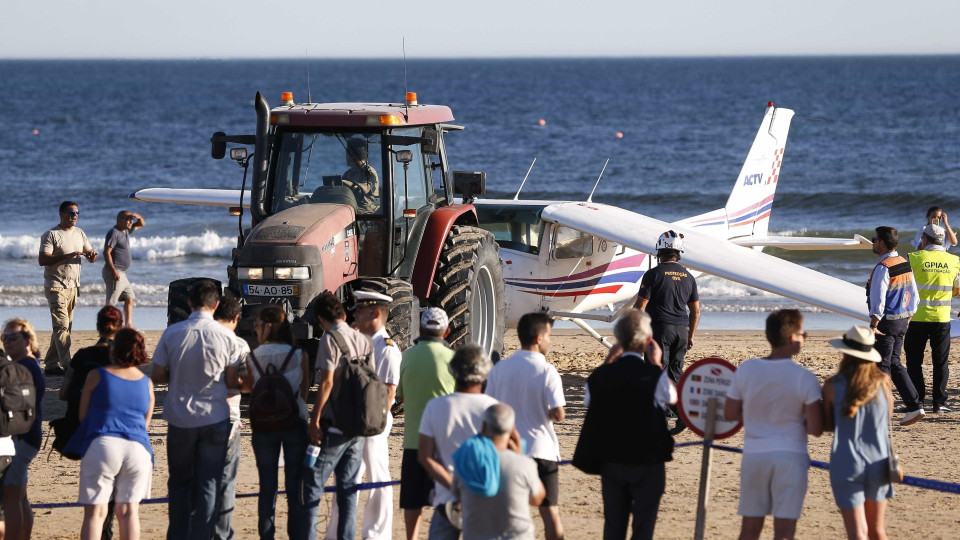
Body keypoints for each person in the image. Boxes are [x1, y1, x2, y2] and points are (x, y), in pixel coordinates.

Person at [151, 280, 244, 540]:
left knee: (179, 482)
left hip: (180, 418)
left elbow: (158, 374)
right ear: (216, 306)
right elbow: (230, 381)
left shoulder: (173, 333)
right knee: (209, 483)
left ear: (190, 303)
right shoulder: (227, 337)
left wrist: (178, 373)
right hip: (214, 418)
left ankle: (179, 535)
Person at [573, 309, 676, 540]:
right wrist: (657, 363)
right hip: (648, 460)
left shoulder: (602, 376)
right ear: (647, 341)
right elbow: (672, 396)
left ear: (618, 341)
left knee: (614, 526)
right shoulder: (653, 375)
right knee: (644, 526)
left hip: (612, 459)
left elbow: (589, 399)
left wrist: (609, 360)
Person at [723, 309, 823, 540]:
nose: (804, 338)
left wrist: (757, 415)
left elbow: (730, 412)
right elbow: (816, 429)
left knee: (749, 528)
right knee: (785, 531)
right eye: (802, 333)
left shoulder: (747, 368)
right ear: (791, 339)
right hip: (790, 455)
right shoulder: (804, 377)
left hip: (755, 454)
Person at [65, 328, 155, 540]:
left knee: (95, 514)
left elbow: (83, 416)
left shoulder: (97, 375)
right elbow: (145, 423)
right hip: (138, 448)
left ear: (116, 349)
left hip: (104, 443)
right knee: (129, 512)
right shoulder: (146, 383)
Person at [325, 291, 401, 540]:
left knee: (378, 477)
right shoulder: (360, 340)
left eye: (361, 310)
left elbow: (390, 392)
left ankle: (377, 534)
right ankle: (336, 533)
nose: (355, 314)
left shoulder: (387, 347)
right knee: (347, 478)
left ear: (376, 314)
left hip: (374, 419)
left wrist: (374, 422)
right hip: (354, 417)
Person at [484, 313, 565, 540]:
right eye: (549, 336)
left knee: (506, 513)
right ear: (539, 338)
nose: (550, 341)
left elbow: (489, 407)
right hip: (541, 449)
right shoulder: (547, 370)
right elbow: (559, 413)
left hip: (508, 448)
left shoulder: (500, 368)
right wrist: (545, 412)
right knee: (550, 514)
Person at [302, 292, 372, 540]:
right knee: (348, 492)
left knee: (312, 487)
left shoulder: (329, 340)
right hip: (359, 425)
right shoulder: (364, 341)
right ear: (343, 314)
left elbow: (327, 383)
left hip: (335, 425)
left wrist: (315, 418)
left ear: (320, 318)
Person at [418, 344, 498, 540]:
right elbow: (506, 455)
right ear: (484, 372)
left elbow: (425, 457)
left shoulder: (435, 406)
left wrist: (455, 487)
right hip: (484, 499)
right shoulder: (494, 408)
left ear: (453, 371)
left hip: (447, 499)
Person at [822, 326, 895, 540]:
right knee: (877, 531)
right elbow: (887, 418)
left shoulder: (832, 385)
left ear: (845, 352)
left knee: (857, 532)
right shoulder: (883, 382)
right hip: (879, 461)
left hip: (847, 460)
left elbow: (828, 425)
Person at [243, 306, 309, 540]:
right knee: (295, 489)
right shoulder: (298, 355)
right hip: (294, 422)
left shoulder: (253, 356)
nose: (255, 328)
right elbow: (303, 393)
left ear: (268, 327)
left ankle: (267, 536)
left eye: (258, 324)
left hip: (264, 426)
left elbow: (251, 389)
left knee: (267, 487)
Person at [57, 306, 123, 540]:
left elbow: (63, 393)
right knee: (115, 487)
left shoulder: (82, 355)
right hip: (117, 428)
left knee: (94, 495)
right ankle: (107, 531)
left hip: (88, 430)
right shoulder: (122, 356)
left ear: (98, 327)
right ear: (120, 326)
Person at [396, 307, 456, 540]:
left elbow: (400, 396)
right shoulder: (453, 359)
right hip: (445, 442)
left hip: (414, 441)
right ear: (447, 331)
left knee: (412, 500)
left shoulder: (407, 356)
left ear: (421, 329)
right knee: (447, 499)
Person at [633, 229, 699, 434]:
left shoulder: (653, 274)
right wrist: (690, 336)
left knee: (657, 372)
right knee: (676, 372)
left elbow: (640, 307)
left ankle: (672, 413)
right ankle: (677, 412)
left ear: (659, 251)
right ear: (678, 253)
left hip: (660, 330)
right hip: (681, 330)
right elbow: (695, 311)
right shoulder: (689, 277)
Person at [451, 404, 546, 540]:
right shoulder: (523, 464)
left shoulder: (466, 459)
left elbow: (458, 494)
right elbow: (537, 498)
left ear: (484, 427)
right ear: (513, 430)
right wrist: (520, 456)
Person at [867, 226, 925, 425]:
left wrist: (873, 324)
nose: (873, 242)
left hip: (887, 322)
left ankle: (882, 411)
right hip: (902, 321)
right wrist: (907, 319)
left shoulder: (884, 267)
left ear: (881, 243)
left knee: (882, 365)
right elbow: (915, 297)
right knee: (895, 363)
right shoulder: (904, 263)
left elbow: (878, 300)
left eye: (874, 239)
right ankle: (915, 406)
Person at [906, 223, 960, 414]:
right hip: (941, 318)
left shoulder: (913, 258)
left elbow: (904, 286)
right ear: (942, 241)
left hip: (916, 318)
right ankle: (939, 402)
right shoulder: (954, 261)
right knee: (940, 362)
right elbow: (957, 290)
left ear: (925, 239)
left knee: (913, 361)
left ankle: (917, 400)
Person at [39, 200, 98, 375]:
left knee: (64, 327)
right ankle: (68, 365)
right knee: (61, 327)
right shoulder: (51, 235)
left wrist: (92, 256)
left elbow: (91, 255)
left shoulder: (80, 233)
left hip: (73, 287)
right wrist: (67, 256)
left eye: (77, 212)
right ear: (61, 214)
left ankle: (50, 365)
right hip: (56, 286)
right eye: (71, 212)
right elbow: (43, 260)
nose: (74, 216)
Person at [1, 318, 45, 540]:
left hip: (22, 438)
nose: (7, 342)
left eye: (12, 337)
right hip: (28, 435)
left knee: (12, 497)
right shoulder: (28, 364)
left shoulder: (24, 366)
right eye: (4, 337)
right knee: (20, 495)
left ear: (28, 340)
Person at [213, 296, 250, 540]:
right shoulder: (239, 345)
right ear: (236, 318)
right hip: (227, 418)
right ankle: (221, 532)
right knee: (226, 482)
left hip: (192, 418)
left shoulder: (197, 338)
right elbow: (243, 384)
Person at [102, 210, 145, 328]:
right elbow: (106, 253)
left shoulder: (125, 231)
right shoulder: (114, 233)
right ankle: (106, 326)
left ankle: (128, 325)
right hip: (115, 272)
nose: (131, 222)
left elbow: (141, 224)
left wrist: (138, 216)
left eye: (132, 220)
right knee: (111, 302)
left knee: (130, 297)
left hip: (122, 274)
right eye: (129, 220)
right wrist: (113, 270)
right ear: (120, 220)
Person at [342, 137, 380, 214]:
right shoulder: (348, 173)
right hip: (351, 209)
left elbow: (366, 188)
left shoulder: (369, 172)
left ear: (352, 155)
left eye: (347, 153)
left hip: (366, 212)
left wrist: (345, 182)